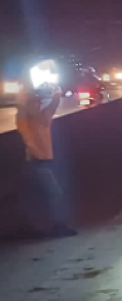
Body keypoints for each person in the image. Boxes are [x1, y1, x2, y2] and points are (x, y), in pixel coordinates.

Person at [14, 81, 76, 238]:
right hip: (34, 161)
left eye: (38, 102)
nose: (38, 105)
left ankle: (27, 227)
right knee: (53, 193)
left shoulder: (42, 119)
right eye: (35, 103)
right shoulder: (25, 120)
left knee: (32, 195)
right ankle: (56, 225)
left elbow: (52, 107)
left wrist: (56, 93)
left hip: (38, 162)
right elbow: (24, 129)